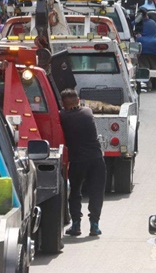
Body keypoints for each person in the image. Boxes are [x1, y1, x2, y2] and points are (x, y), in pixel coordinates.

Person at [59, 88, 106, 237]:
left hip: (78, 161)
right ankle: (94, 225)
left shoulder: (63, 117)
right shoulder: (87, 112)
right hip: (96, 159)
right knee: (96, 192)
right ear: (78, 100)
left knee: (75, 193)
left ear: (62, 103)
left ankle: (76, 225)